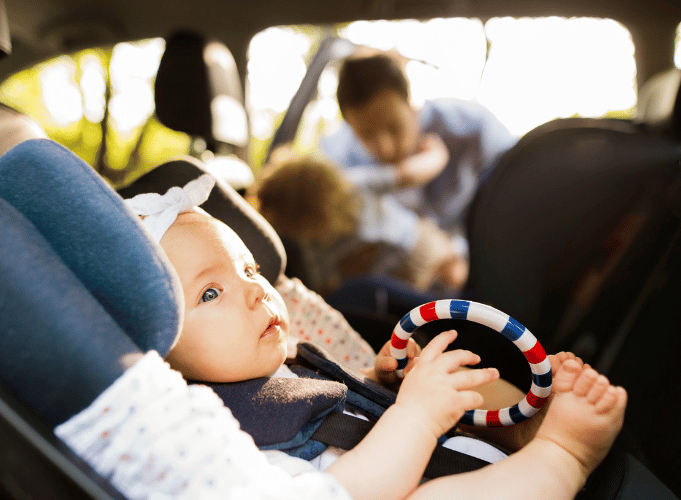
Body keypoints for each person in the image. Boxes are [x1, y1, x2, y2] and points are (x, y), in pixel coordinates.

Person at [114, 174, 627, 500]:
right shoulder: (213, 436)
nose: (256, 292)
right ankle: (564, 453)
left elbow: (327, 402)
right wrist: (418, 415)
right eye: (210, 294)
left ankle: (527, 425)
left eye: (250, 269)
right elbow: (342, 491)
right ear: (160, 352)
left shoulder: (289, 361)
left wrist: (377, 379)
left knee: (456, 378)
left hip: (459, 460)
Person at [320, 50, 519, 291]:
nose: (384, 148)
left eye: (394, 127)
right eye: (366, 135)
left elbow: (517, 199)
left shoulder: (472, 128)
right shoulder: (339, 163)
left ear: (411, 101)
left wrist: (461, 255)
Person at [252, 153, 468, 295]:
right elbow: (324, 286)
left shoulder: (354, 184)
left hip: (417, 244)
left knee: (455, 274)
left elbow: (405, 174)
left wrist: (436, 155)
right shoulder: (313, 244)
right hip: (396, 274)